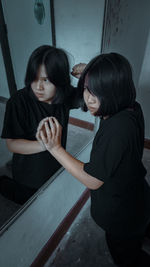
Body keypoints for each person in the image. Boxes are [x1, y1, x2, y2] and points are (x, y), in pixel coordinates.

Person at [36, 52, 150, 266]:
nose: (88, 97)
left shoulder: (117, 130)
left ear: (112, 91)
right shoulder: (132, 106)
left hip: (123, 213)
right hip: (139, 197)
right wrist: (90, 72)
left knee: (127, 257)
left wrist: (55, 148)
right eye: (87, 88)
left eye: (96, 91)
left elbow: (93, 179)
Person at [1, 45, 82, 204]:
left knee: (51, 192)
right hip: (28, 172)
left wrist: (88, 72)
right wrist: (46, 145)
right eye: (34, 78)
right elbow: (12, 144)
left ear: (60, 82)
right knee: (28, 200)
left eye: (46, 80)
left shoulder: (65, 94)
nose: (38, 86)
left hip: (55, 165)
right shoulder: (18, 101)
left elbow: (91, 96)